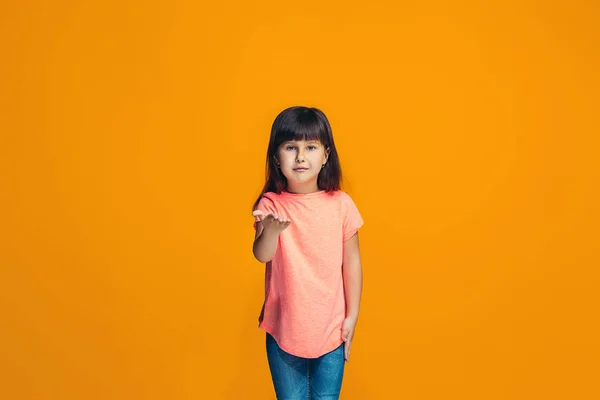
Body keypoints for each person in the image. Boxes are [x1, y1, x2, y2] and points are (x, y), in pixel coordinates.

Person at [251, 106, 364, 399]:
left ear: (326, 155)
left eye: (310, 147)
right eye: (291, 147)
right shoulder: (272, 205)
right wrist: (271, 232)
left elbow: (351, 262)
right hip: (284, 331)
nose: (301, 156)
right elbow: (262, 254)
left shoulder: (341, 204)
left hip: (331, 330)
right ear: (277, 157)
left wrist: (352, 316)